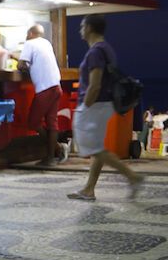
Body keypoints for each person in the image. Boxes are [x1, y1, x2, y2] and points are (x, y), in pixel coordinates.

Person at [67, 14, 143, 201]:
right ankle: (89, 189)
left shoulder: (95, 52)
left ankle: (133, 176)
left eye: (82, 26)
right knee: (97, 146)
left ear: (90, 28)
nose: (80, 30)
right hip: (104, 104)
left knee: (93, 148)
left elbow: (95, 84)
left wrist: (85, 106)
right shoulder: (106, 48)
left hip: (95, 104)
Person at [17, 24, 63, 166]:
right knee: (52, 123)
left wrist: (15, 58)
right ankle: (51, 156)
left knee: (33, 122)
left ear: (31, 33)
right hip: (56, 86)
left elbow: (21, 65)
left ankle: (56, 149)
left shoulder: (30, 43)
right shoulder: (46, 43)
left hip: (44, 89)